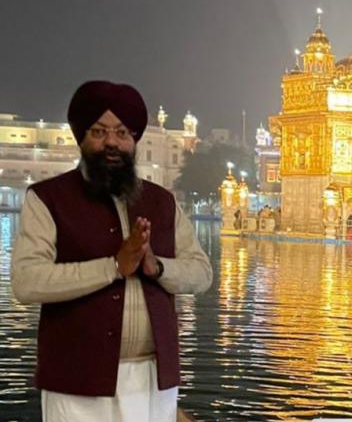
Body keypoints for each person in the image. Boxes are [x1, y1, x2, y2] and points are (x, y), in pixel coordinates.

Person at [11, 80, 213, 422]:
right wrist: (114, 267)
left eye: (121, 133)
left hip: (153, 378)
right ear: (82, 137)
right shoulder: (49, 199)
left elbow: (201, 273)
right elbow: (27, 281)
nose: (111, 143)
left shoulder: (162, 202)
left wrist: (156, 267)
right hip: (78, 383)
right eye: (99, 131)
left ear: (134, 140)